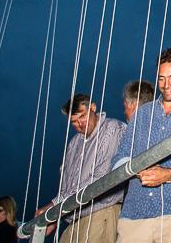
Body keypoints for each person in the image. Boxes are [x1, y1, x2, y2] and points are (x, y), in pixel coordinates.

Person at [111, 48, 171, 243]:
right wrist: (135, 169)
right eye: (161, 78)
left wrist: (169, 174)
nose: (166, 85)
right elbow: (118, 159)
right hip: (134, 217)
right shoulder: (141, 114)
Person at [36, 93, 126, 243]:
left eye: (82, 116)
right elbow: (66, 186)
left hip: (101, 214)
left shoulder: (113, 128)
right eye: (74, 121)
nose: (80, 124)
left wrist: (55, 206)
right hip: (73, 220)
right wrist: (56, 216)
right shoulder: (73, 143)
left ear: (93, 107)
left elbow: (101, 177)